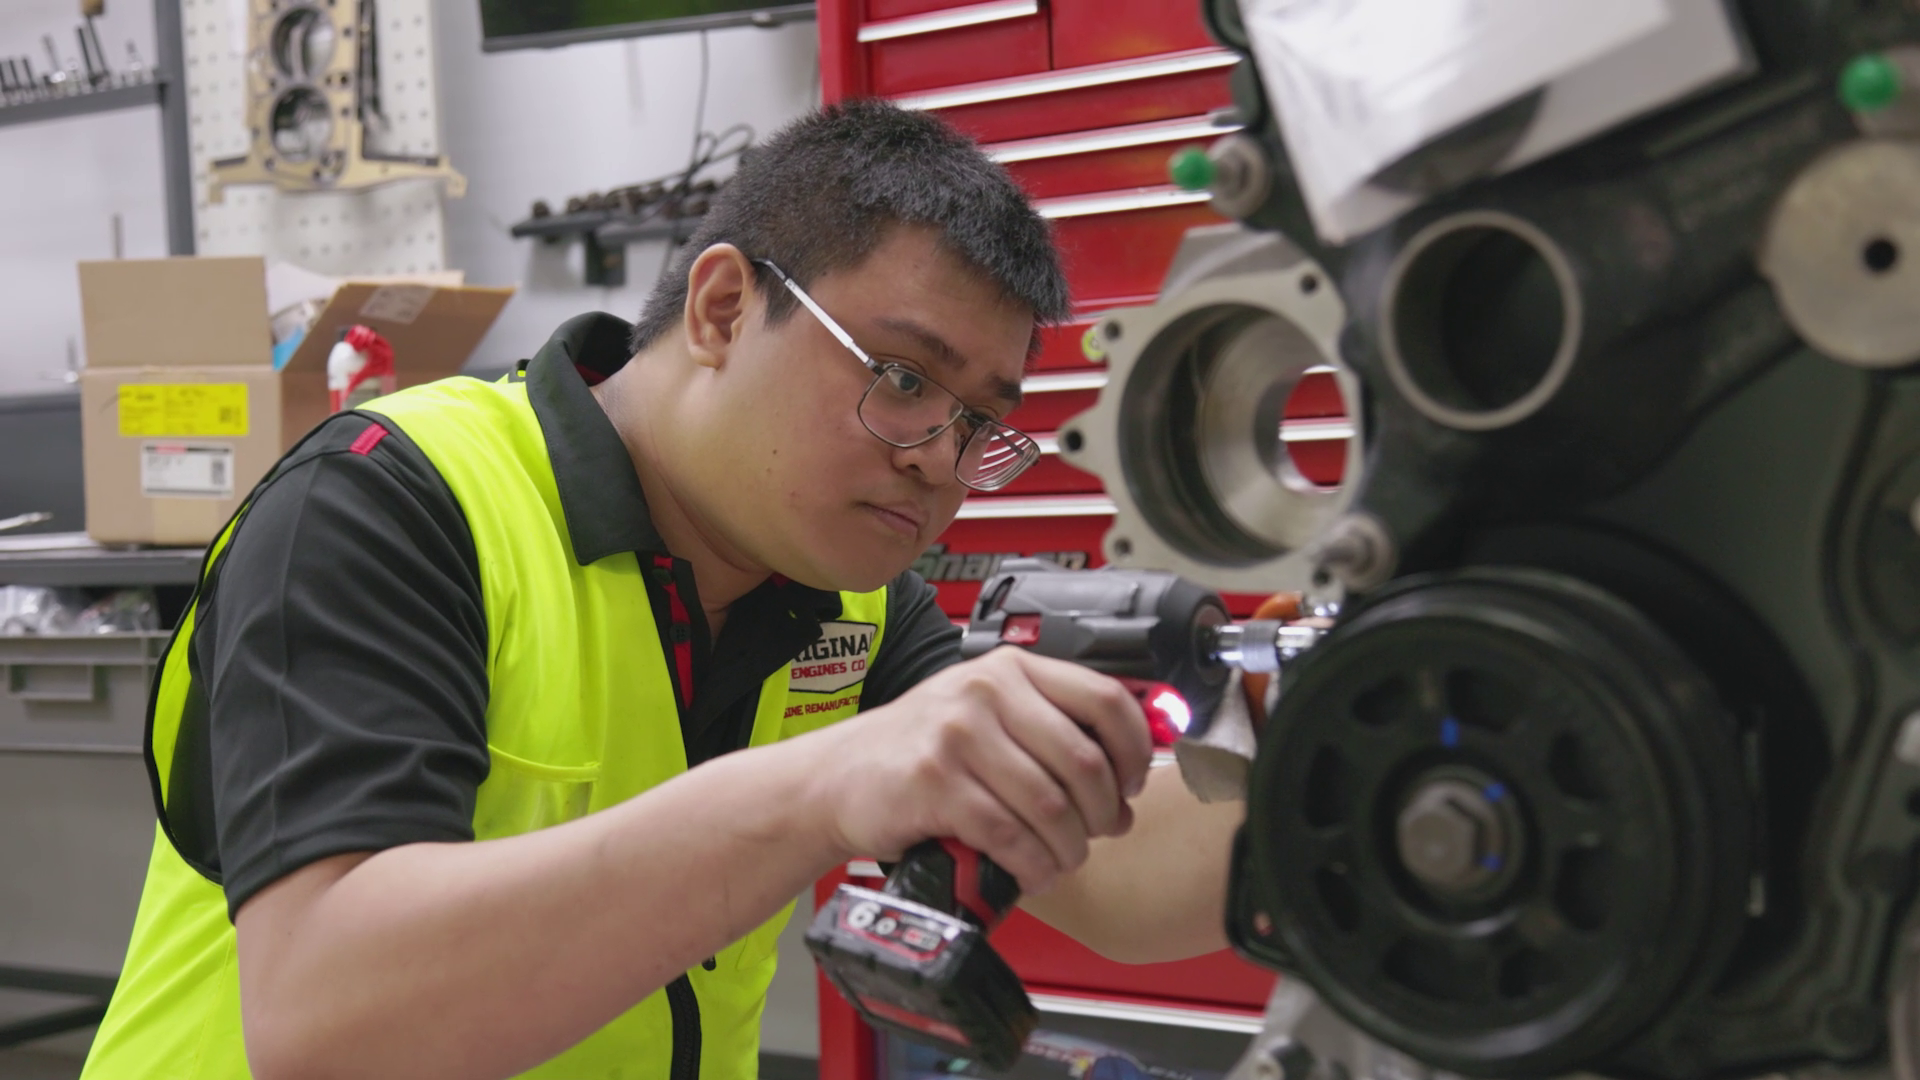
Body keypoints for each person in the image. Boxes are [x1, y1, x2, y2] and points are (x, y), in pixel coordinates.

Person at [80, 99, 1243, 1080]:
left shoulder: (852, 600)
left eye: (980, 422)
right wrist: (825, 783)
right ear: (722, 306)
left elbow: (1117, 876)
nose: (939, 461)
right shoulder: (391, 503)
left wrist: (1332, 760)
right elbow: (327, 1019)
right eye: (900, 379)